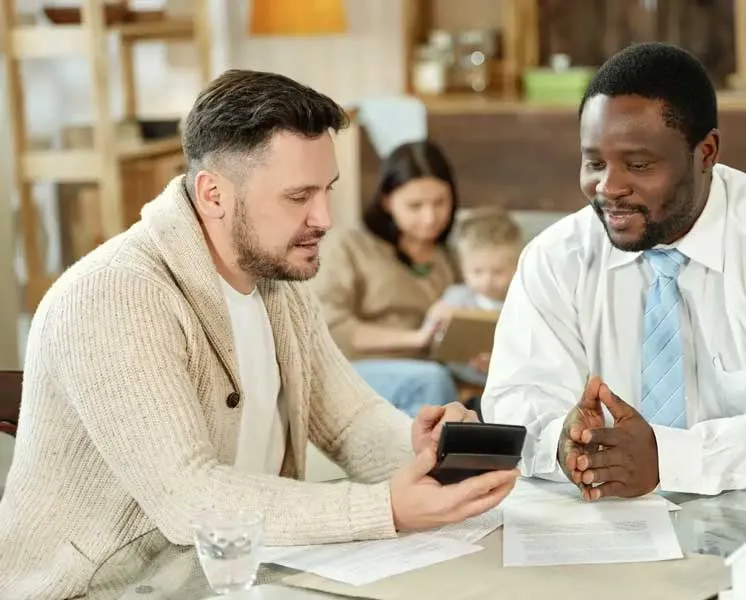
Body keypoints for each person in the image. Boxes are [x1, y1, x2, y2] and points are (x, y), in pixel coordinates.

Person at [0, 70, 518, 600]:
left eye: (327, 191)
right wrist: (383, 508)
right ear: (213, 194)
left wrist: (419, 447)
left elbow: (349, 419)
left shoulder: (279, 278)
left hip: (235, 576)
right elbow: (190, 499)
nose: (324, 218)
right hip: (100, 590)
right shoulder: (113, 296)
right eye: (298, 197)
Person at [481, 42, 746, 500]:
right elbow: (517, 398)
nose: (609, 188)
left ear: (706, 152)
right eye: (594, 163)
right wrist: (566, 446)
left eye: (639, 164)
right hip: (606, 519)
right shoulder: (555, 257)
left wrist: (669, 458)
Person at [310, 140, 461, 417]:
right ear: (387, 201)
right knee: (431, 381)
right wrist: (417, 338)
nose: (430, 217)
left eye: (440, 203)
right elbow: (331, 327)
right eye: (415, 206)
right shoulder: (349, 246)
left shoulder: (451, 256)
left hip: (432, 368)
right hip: (353, 368)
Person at [438, 207, 524, 388]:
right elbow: (436, 344)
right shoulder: (456, 298)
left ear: (516, 266)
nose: (488, 280)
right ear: (463, 268)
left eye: (498, 271)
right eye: (478, 272)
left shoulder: (523, 301)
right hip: (461, 379)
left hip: (511, 380)